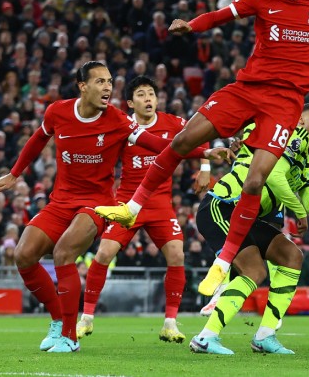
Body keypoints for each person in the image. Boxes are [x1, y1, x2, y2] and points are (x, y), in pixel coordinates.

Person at [96, 0, 309, 298]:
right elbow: (223, 15)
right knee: (182, 141)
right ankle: (132, 208)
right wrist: (192, 26)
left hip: (285, 104)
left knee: (255, 182)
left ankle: (223, 262)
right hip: (246, 89)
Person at [0, 61, 228, 353]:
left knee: (64, 252)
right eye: (100, 82)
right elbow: (38, 139)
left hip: (97, 203)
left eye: (110, 82)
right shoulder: (57, 112)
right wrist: (15, 173)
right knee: (24, 255)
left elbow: (158, 145)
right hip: (60, 200)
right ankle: (56, 322)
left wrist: (204, 152)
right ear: (82, 86)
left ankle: (70, 336)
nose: (107, 88)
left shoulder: (117, 120)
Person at [76, 76, 210, 343]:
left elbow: (202, 136)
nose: (148, 98)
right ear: (130, 102)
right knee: (103, 253)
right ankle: (86, 318)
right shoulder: (121, 125)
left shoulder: (173, 123)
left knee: (176, 255)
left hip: (160, 204)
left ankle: (170, 323)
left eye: (151, 94)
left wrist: (205, 169)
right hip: (127, 202)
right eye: (141, 94)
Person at [190, 102, 309, 355]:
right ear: (299, 120)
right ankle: (205, 337)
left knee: (291, 256)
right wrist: (298, 213)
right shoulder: (286, 134)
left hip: (250, 217)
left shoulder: (308, 158)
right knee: (253, 270)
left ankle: (265, 335)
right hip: (224, 205)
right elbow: (275, 177)